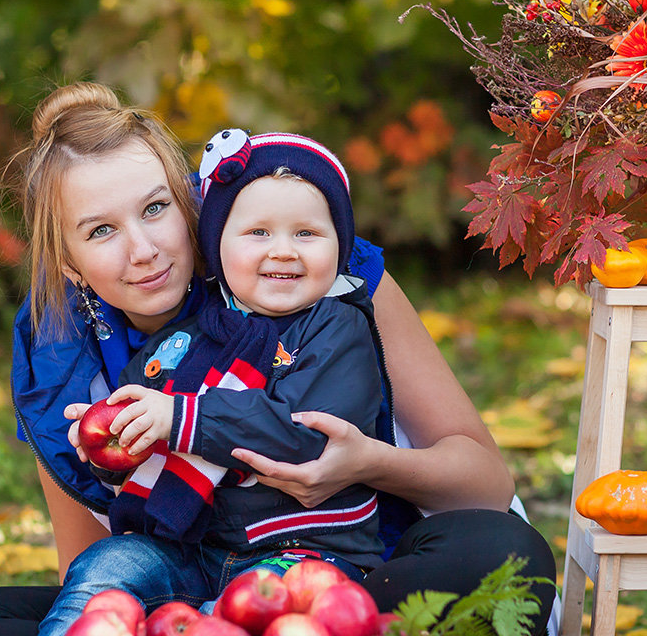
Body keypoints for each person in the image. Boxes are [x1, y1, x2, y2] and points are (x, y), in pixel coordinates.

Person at [0, 82, 556, 636]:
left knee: (501, 552)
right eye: (101, 230)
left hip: (358, 570)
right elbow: (94, 569)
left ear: (190, 203)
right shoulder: (59, 352)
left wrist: (369, 463)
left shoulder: (310, 271)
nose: (143, 250)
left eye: (156, 209)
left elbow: (487, 486)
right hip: (192, 593)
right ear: (68, 266)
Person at [38, 129, 388, 634]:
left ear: (340, 244)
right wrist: (114, 449)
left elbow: (305, 433)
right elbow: (149, 436)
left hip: (302, 551)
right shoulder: (190, 336)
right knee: (104, 568)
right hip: (194, 547)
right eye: (259, 234)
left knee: (224, 622)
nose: (284, 252)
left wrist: (178, 418)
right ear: (216, 245)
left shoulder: (338, 328)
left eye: (307, 234)